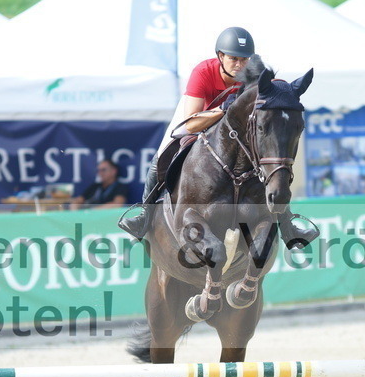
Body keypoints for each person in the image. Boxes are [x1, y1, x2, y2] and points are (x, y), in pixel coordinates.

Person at [118, 27, 318, 248]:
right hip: (199, 118)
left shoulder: (257, 77)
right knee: (165, 150)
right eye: (233, 59)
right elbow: (191, 122)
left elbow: (276, 93)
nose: (239, 65)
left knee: (271, 167)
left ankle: (288, 226)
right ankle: (144, 216)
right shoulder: (204, 72)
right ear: (220, 56)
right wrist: (224, 109)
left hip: (234, 134)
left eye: (244, 59)